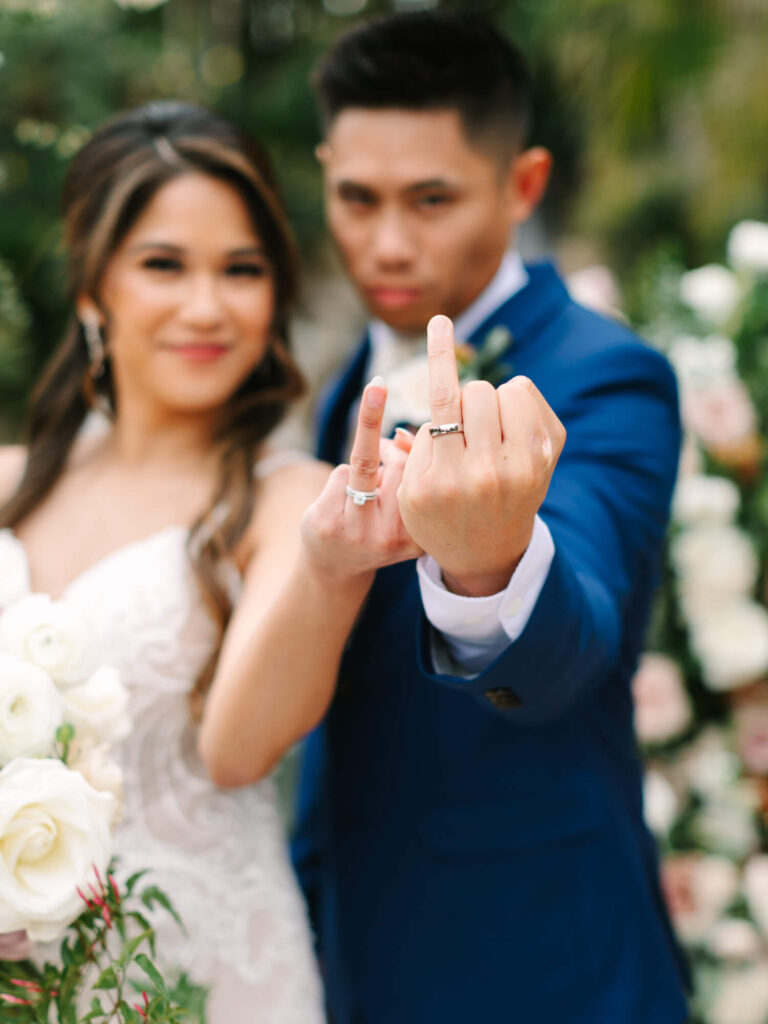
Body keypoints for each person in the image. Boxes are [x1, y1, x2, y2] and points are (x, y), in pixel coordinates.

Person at [292, 11, 690, 1024]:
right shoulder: (350, 381)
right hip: (348, 946)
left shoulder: (608, 376)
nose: (385, 242)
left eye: (431, 199)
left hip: (537, 967)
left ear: (522, 185)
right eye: (356, 197)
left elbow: (583, 620)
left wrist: (490, 566)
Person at [0, 101, 418, 1022]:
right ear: (89, 291)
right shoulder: (11, 485)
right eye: (162, 265)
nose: (206, 306)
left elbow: (237, 751)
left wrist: (329, 564)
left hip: (204, 977)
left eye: (241, 269)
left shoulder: (292, 502)